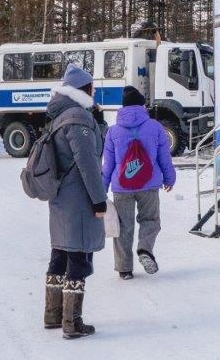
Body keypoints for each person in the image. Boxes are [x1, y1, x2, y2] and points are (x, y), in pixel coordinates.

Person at [42, 64, 107, 340]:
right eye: (92, 88)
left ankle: (53, 314)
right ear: (85, 89)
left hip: (59, 199)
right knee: (78, 258)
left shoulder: (59, 115)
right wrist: (99, 200)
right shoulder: (78, 118)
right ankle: (72, 322)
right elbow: (88, 163)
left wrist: (99, 123)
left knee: (60, 253)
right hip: (78, 200)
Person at [101, 86, 175, 280]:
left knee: (123, 226)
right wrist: (169, 178)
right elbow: (164, 157)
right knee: (150, 220)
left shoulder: (112, 131)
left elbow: (108, 164)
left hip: (122, 186)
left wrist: (102, 189)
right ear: (142, 106)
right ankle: (145, 249)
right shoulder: (155, 127)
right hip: (149, 184)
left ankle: (124, 268)